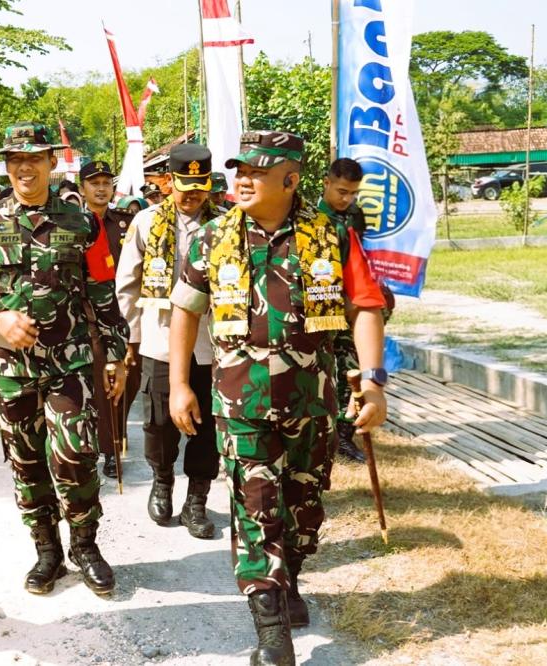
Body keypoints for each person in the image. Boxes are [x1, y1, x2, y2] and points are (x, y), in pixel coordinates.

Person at [168, 131, 389, 666]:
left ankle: (289, 573)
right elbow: (184, 310)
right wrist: (179, 384)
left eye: (257, 172)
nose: (242, 180)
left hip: (311, 401)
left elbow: (364, 306)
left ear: (290, 180)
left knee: (303, 509)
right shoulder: (212, 238)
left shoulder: (331, 235)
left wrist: (373, 380)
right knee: (255, 507)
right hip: (239, 403)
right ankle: (270, 629)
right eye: (239, 171)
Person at [0, 121, 129, 598]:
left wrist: (115, 354)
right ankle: (47, 550)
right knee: (25, 460)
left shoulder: (82, 221)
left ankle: (85, 545)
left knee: (76, 453)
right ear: (6, 166)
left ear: (51, 161)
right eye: (15, 160)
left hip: (68, 361)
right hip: (9, 366)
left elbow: (102, 291)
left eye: (33, 158)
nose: (24, 168)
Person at [115, 144, 221, 540]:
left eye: (199, 187)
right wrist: (130, 338)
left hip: (210, 342)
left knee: (206, 424)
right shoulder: (146, 222)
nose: (191, 195)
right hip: (159, 339)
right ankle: (162, 481)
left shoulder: (225, 224)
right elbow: (127, 284)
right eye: (184, 186)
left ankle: (197, 499)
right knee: (159, 422)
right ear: (167, 182)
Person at [318, 157, 396, 466]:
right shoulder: (313, 218)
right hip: (326, 305)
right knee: (328, 371)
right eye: (342, 191)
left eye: (353, 193)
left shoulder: (355, 214)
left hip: (356, 306)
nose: (347, 199)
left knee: (353, 368)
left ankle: (345, 434)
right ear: (326, 183)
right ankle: (327, 434)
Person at [80, 160, 140, 479]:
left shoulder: (128, 224)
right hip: (88, 317)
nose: (101, 188)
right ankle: (110, 448)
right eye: (94, 183)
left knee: (129, 380)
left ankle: (115, 437)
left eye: (106, 183)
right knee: (101, 383)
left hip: (126, 314)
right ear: (83, 189)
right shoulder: (73, 225)